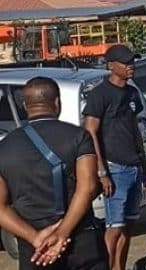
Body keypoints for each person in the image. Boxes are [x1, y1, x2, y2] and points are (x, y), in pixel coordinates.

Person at [0, 77, 108, 269]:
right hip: (81, 239)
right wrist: (62, 233)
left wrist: (35, 238)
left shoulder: (4, 147)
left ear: (25, 105)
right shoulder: (78, 136)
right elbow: (88, 186)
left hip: (36, 250)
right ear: (57, 102)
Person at [83, 44, 146, 270]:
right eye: (125, 63)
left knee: (129, 225)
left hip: (133, 167)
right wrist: (102, 171)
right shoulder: (100, 94)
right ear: (111, 65)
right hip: (115, 169)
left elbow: (134, 128)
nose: (130, 66)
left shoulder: (132, 93)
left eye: (132, 61)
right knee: (114, 227)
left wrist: (144, 164)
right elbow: (90, 131)